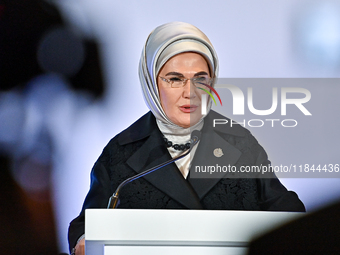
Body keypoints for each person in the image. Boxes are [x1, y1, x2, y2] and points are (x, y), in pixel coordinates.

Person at [68, 21, 305, 255]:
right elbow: (86, 224)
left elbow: (284, 207)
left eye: (201, 79)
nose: (190, 93)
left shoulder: (238, 142)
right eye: (175, 79)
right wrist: (84, 239)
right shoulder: (120, 151)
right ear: (151, 82)